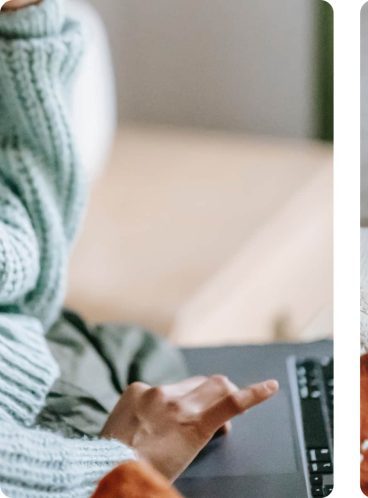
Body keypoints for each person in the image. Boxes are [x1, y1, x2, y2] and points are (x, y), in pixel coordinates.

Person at [0, 0, 278, 495]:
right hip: (46, 455)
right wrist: (113, 465)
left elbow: (26, 271)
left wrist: (24, 28)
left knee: (158, 360)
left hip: (31, 350)